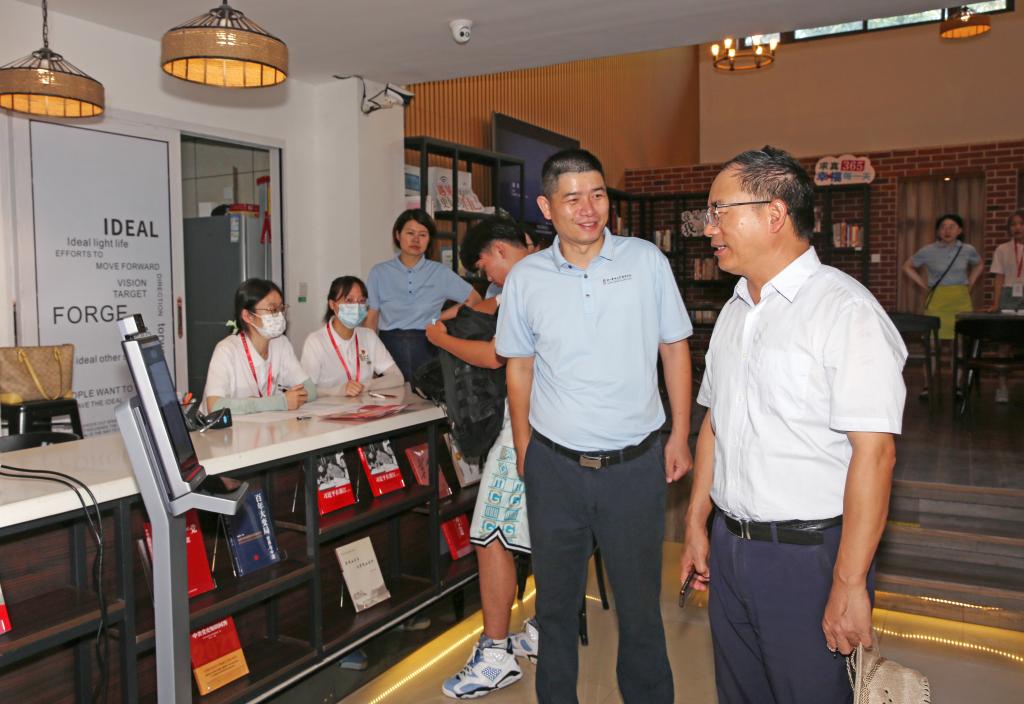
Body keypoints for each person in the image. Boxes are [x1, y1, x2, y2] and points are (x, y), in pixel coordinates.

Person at [681, 146, 907, 704]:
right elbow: (715, 423)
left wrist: (849, 582)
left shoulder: (845, 311)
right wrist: (696, 520)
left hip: (807, 556)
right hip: (732, 546)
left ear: (774, 214)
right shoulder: (735, 309)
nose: (708, 228)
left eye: (719, 211)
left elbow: (875, 454)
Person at [495, 149, 693, 704]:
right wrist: (525, 449)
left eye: (598, 195)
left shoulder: (645, 260)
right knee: (555, 609)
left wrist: (680, 434)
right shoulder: (526, 278)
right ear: (546, 207)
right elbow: (519, 368)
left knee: (640, 608)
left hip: (634, 467)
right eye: (573, 198)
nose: (589, 209)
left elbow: (674, 348)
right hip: (555, 467)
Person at [427, 217, 539, 699]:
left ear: (498, 251)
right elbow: (489, 305)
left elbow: (497, 355)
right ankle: (545, 629)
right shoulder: (553, 271)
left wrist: (442, 339)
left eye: (485, 266)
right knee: (548, 533)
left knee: (489, 533)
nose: (487, 277)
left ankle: (495, 656)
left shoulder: (524, 284)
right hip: (563, 428)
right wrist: (463, 310)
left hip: (525, 429)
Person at [365, 209, 482, 381]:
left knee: (427, 395)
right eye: (410, 233)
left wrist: (438, 317)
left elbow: (474, 299)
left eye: (423, 235)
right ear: (397, 235)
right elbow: (372, 319)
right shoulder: (379, 272)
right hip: (388, 347)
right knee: (391, 395)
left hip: (427, 345)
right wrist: (369, 359)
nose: (416, 239)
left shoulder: (440, 272)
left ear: (429, 239)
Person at [203, 278, 315, 414]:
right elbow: (214, 406)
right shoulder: (226, 350)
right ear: (248, 316)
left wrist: (290, 398)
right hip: (226, 427)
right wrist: (277, 402)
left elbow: (310, 390)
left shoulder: (281, 343)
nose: (279, 315)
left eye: (281, 308)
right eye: (272, 309)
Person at [901, 213, 983, 396]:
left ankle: (958, 386)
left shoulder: (967, 249)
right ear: (938, 231)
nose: (947, 230)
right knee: (931, 345)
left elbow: (979, 265)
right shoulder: (928, 250)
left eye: (952, 227)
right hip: (937, 300)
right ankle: (927, 386)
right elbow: (907, 266)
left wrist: (970, 283)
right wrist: (923, 285)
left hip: (960, 300)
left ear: (959, 230)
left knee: (958, 346)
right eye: (943, 227)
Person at [301, 276, 403, 397]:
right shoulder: (316, 341)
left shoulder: (369, 336)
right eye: (349, 300)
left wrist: (366, 385)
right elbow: (306, 391)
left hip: (364, 405)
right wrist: (339, 390)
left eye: (361, 301)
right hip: (329, 407)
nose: (356, 306)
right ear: (332, 304)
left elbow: (397, 377)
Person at [987, 209, 1024, 402]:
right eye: (1013, 224)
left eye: (1021, 223)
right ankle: (1002, 386)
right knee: (1005, 342)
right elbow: (999, 277)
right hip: (1009, 294)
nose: (1017, 227)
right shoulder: (1002, 249)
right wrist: (996, 302)